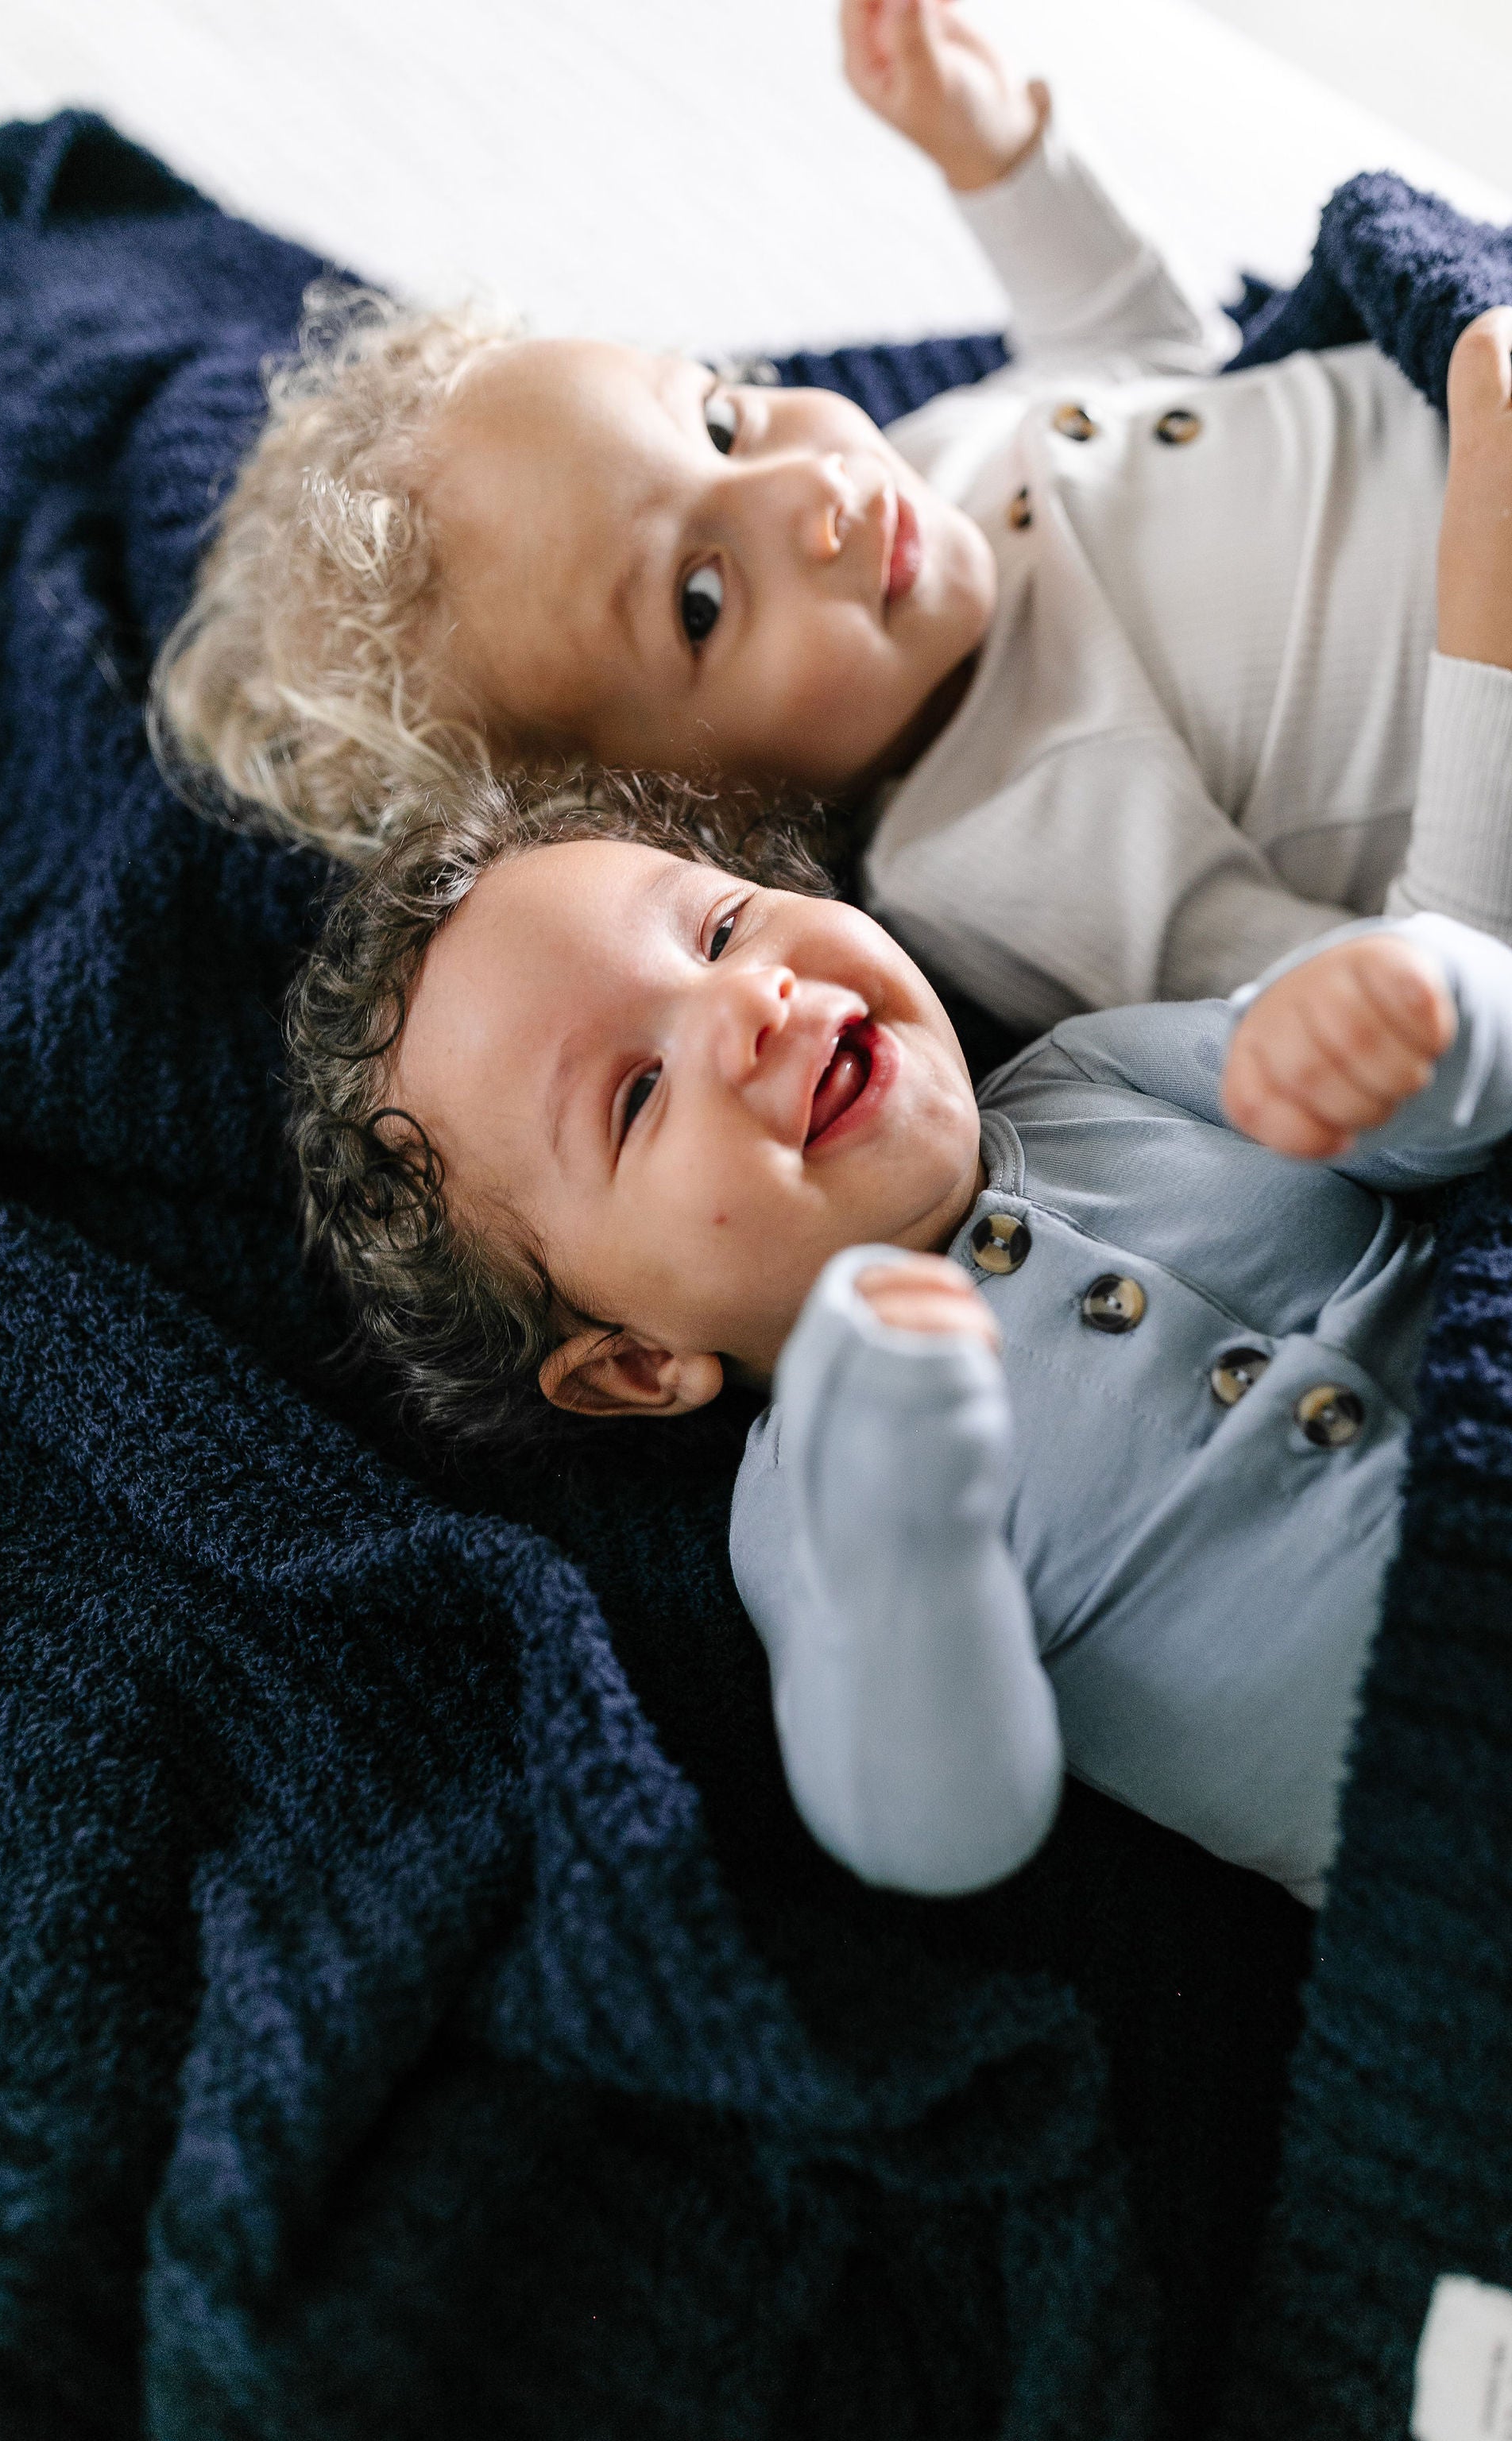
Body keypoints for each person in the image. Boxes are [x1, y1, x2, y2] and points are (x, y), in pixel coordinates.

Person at [153, 1, 1512, 1031]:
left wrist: (1002, 161)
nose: (807, 495)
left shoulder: (934, 463)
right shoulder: (1000, 858)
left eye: (724, 418)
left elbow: (1151, 360)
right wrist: (1482, 610)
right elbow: (1416, 994)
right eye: (701, 599)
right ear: (698, 820)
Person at [286, 776, 1512, 1905]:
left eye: (719, 930)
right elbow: (942, 1824)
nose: (750, 1003)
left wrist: (1424, 1020)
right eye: (639, 1094)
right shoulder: (821, 1502)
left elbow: (1429, 1120)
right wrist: (908, 1537)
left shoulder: (1100, 1072)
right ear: (637, 1361)